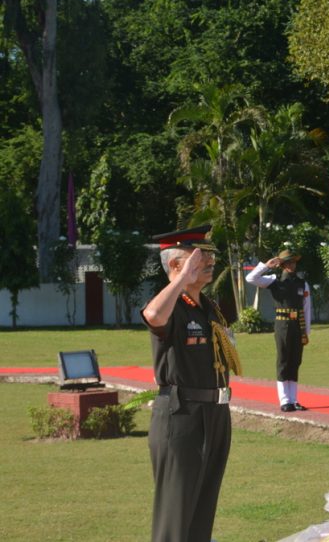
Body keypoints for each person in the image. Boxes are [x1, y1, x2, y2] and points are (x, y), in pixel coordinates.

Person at [141, 225, 242, 541]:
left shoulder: (207, 306)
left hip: (214, 413)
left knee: (202, 511)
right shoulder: (173, 306)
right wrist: (182, 280)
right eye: (198, 257)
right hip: (182, 415)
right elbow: (154, 315)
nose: (209, 261)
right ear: (175, 265)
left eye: (209, 255)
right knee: (176, 514)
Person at [245, 249, 312, 412]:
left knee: (295, 361)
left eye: (293, 262)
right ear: (282, 265)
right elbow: (251, 278)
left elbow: (307, 307)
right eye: (288, 263)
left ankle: (294, 399)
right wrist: (266, 266)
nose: (291, 265)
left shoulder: (302, 283)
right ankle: (284, 400)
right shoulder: (274, 280)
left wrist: (306, 331)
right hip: (282, 324)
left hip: (298, 323)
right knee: (283, 360)